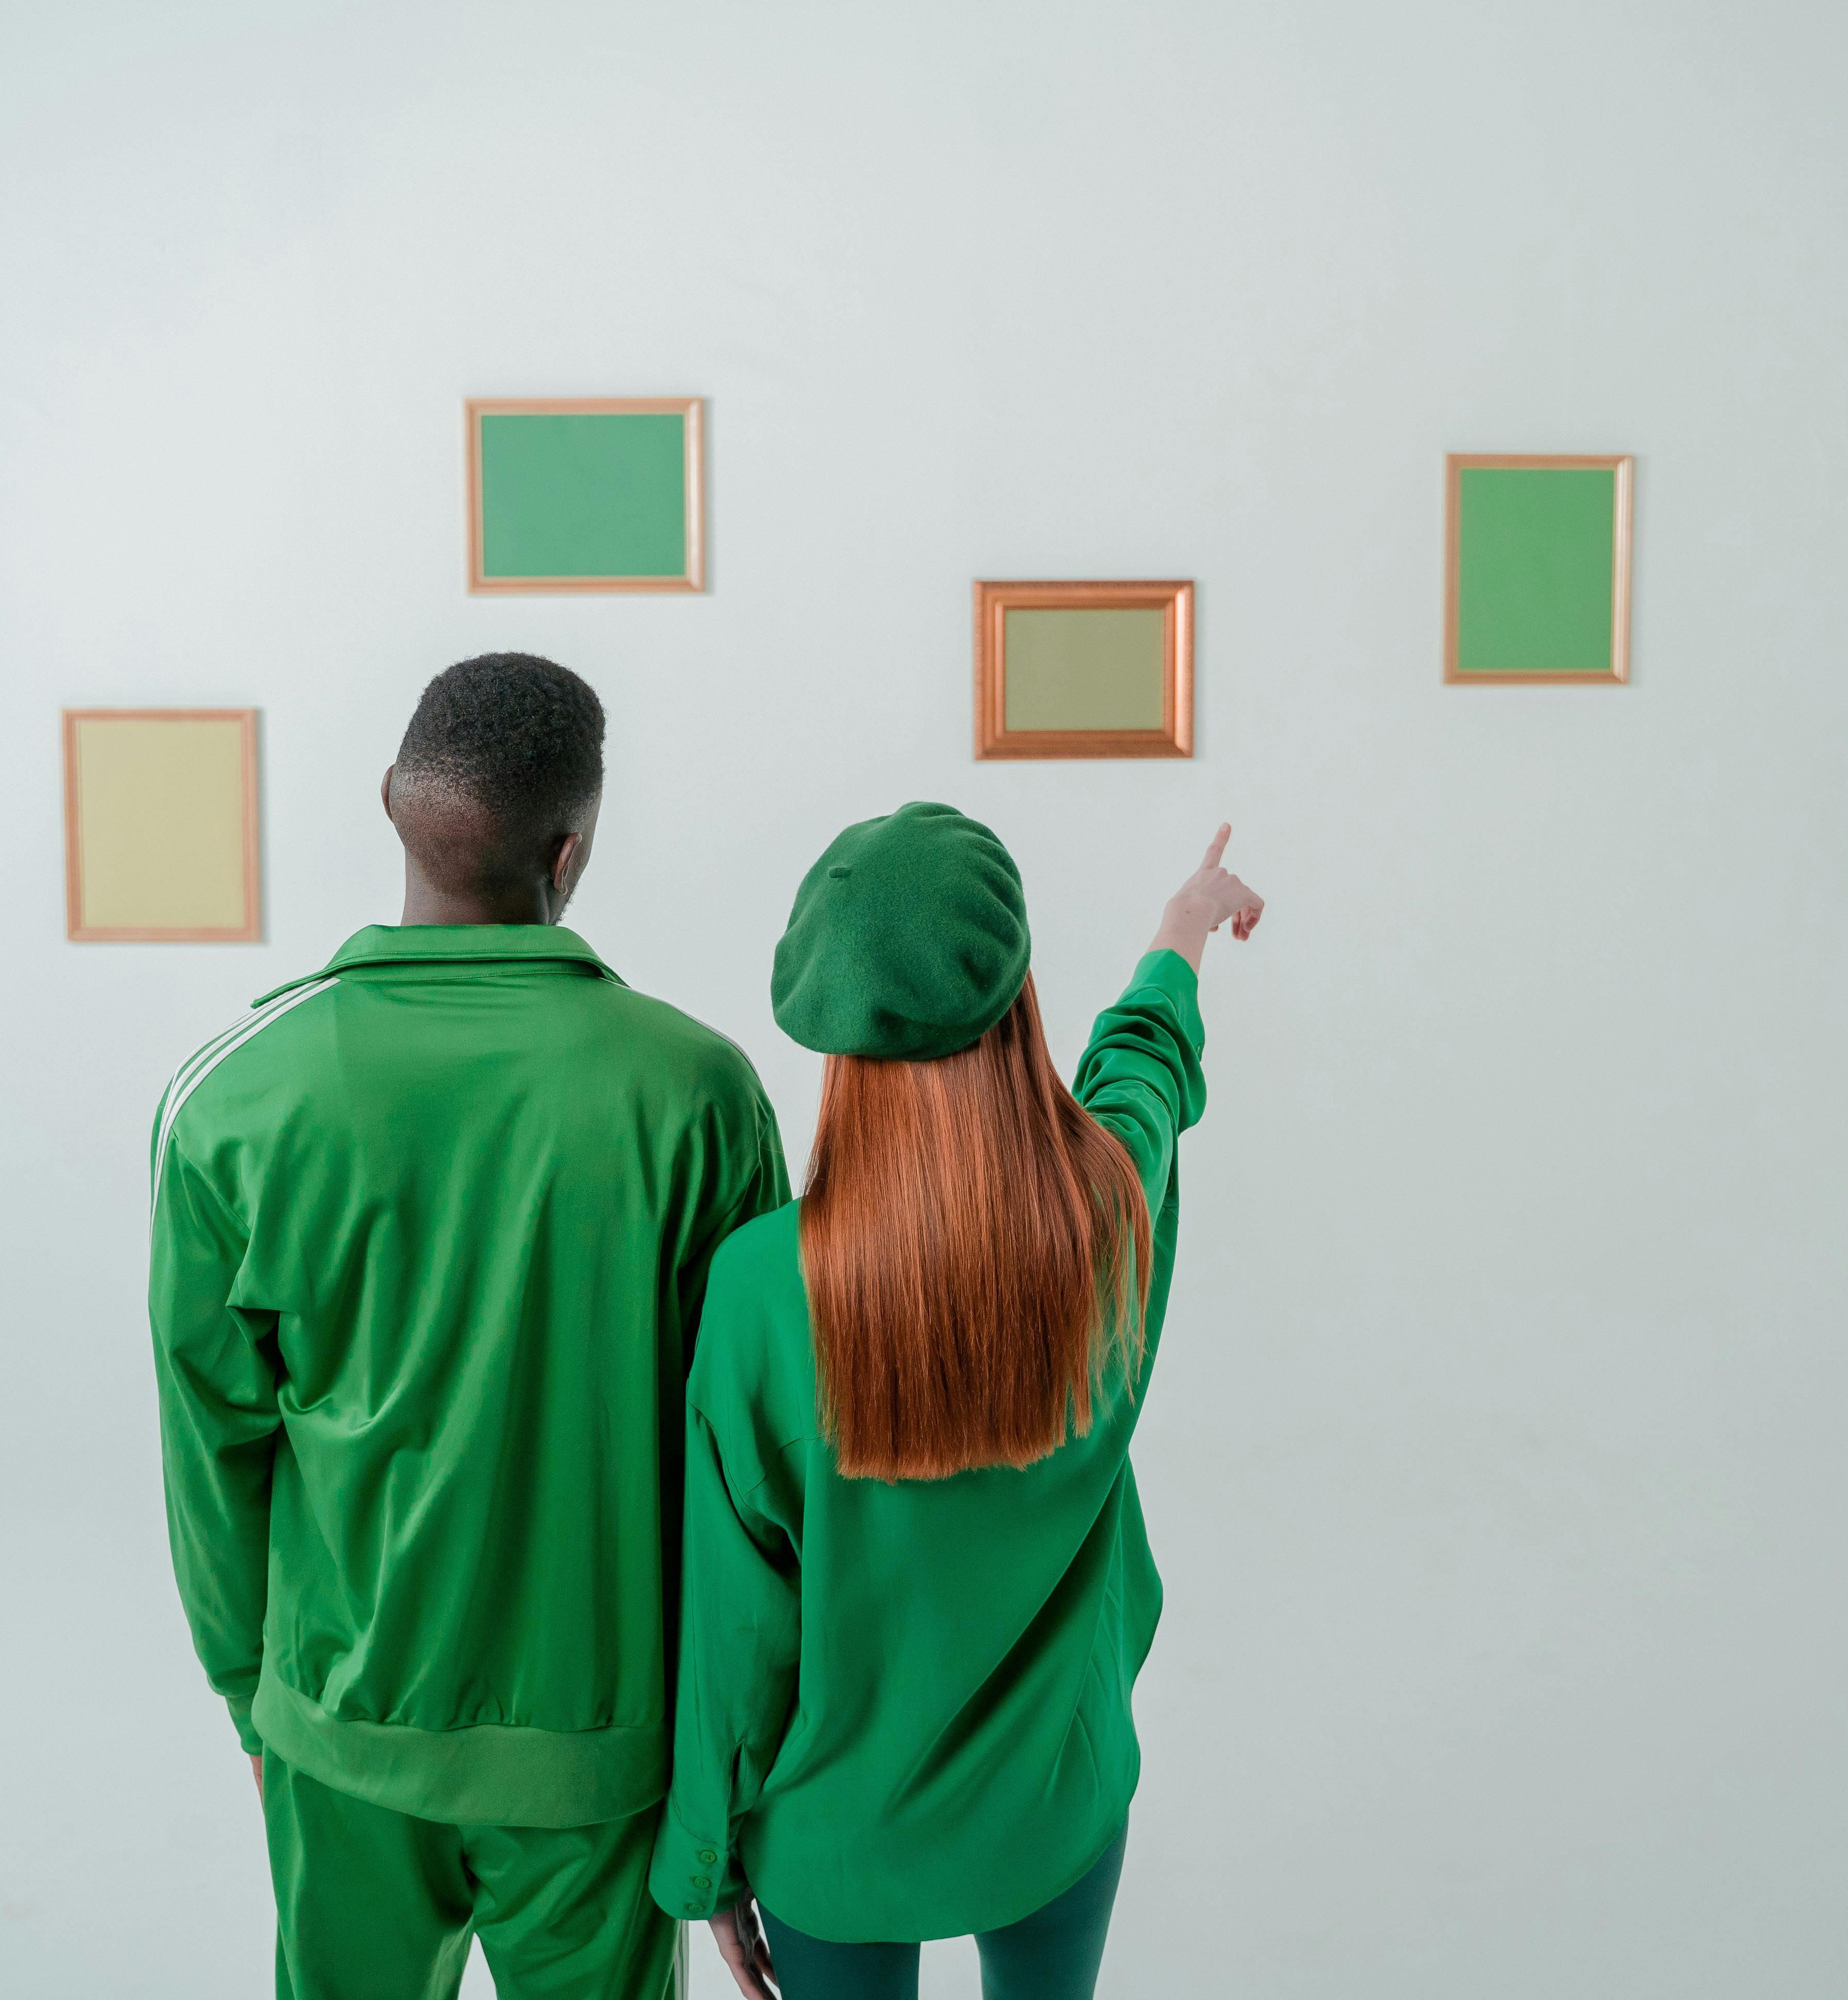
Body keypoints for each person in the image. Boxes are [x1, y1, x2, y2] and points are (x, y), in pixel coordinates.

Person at [150, 652, 789, 2000]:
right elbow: (750, 1460)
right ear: (570, 852)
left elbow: (211, 1439)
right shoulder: (698, 1095)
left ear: (393, 801)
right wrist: (732, 1759)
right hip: (602, 1746)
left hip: (337, 1725)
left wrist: (245, 1682)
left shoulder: (235, 1099)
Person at [650, 804, 1265, 2000]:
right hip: (1051, 1801)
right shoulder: (1108, 1213)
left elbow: (738, 1626)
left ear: (832, 1028)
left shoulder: (762, 1290)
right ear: (1016, 988)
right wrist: (1181, 928)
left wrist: (707, 1861)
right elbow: (1142, 1066)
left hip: (835, 1833)